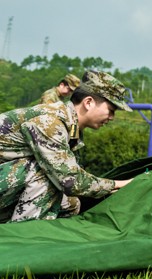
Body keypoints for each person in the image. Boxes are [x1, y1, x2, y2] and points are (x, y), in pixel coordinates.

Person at [0, 70, 133, 222]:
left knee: (71, 203)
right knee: (46, 175)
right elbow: (70, 180)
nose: (112, 117)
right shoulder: (50, 122)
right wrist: (120, 184)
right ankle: (20, 239)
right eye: (111, 110)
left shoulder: (71, 128)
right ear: (88, 102)